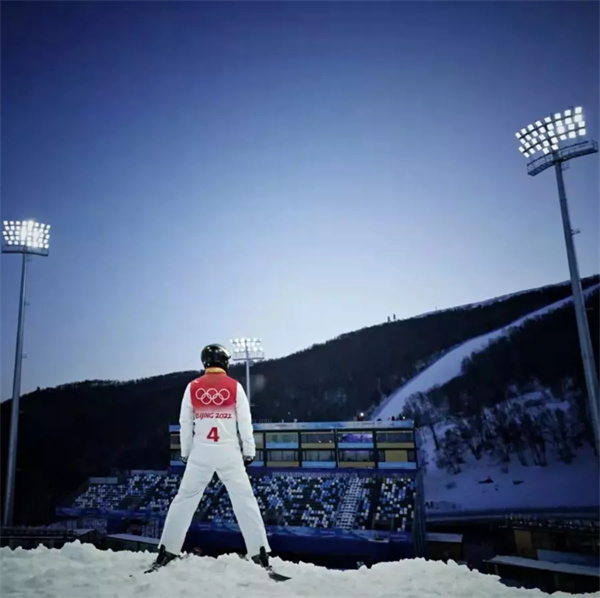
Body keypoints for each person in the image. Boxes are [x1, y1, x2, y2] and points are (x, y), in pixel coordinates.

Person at [148, 343, 271, 571]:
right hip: (229, 452)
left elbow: (185, 423)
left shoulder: (192, 387)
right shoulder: (235, 387)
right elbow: (245, 422)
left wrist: (186, 452)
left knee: (185, 499)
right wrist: (249, 450)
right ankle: (260, 554)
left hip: (201, 451)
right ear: (224, 362)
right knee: (244, 500)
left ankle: (167, 550)